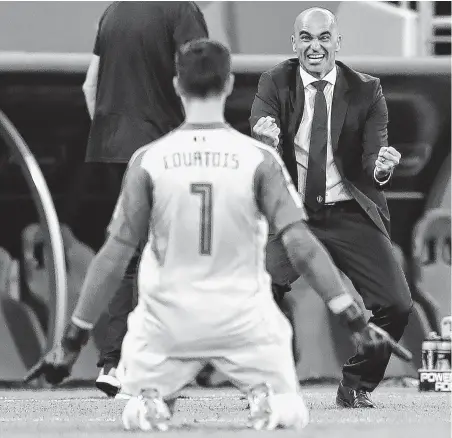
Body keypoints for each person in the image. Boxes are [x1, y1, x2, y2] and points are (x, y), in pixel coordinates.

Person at [23, 39, 400, 431]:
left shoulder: (148, 159)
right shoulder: (259, 159)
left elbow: (115, 256)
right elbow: (302, 246)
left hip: (167, 324)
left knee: (136, 408)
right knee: (291, 414)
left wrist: (69, 344)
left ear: (176, 86)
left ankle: (152, 398)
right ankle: (263, 394)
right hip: (242, 321)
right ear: (229, 84)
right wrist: (355, 321)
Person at [250, 7, 413, 408]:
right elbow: (259, 128)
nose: (315, 46)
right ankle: (275, 379)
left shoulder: (366, 89)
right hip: (295, 215)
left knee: (396, 304)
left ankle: (356, 385)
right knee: (253, 290)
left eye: (324, 38)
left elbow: (374, 157)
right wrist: (263, 138)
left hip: (349, 212)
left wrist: (381, 169)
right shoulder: (274, 81)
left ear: (337, 43)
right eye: (306, 38)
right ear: (294, 44)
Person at [68, 1, 209, 397]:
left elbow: (89, 86)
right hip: (163, 145)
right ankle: (146, 361)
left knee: (127, 253)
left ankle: (113, 363)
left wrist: (116, 136)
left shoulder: (113, 11)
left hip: (114, 148)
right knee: (164, 253)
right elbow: (198, 79)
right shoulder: (182, 11)